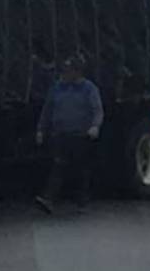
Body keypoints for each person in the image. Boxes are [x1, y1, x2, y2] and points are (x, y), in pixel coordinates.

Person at [34, 54, 104, 214]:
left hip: (80, 135)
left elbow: (97, 110)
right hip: (60, 135)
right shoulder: (57, 88)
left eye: (69, 70)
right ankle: (48, 199)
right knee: (58, 165)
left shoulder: (89, 89)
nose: (65, 74)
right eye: (64, 70)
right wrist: (40, 130)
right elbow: (47, 110)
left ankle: (82, 201)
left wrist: (95, 126)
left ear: (77, 72)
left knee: (81, 169)